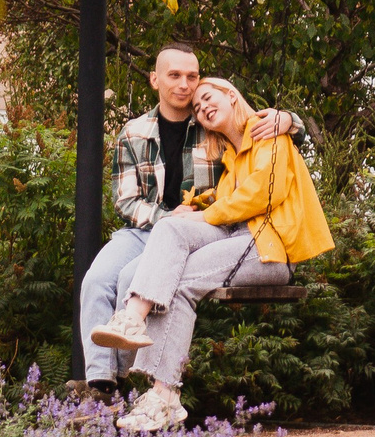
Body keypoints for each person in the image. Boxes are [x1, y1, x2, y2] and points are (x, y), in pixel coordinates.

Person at [89, 77, 335, 432]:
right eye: (198, 108)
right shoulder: (231, 157)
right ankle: (137, 331)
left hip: (267, 249)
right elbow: (226, 201)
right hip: (239, 241)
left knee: (178, 283)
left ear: (232, 96)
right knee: (170, 228)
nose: (203, 107)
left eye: (208, 98)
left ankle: (163, 395)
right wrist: (199, 206)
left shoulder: (269, 135)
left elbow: (263, 194)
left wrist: (208, 214)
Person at [75, 45, 298, 399]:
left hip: (201, 232)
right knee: (97, 280)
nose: (184, 84)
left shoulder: (210, 122)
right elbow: (125, 200)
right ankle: (101, 379)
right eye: (174, 75)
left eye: (191, 76)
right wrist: (166, 215)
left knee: (131, 278)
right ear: (155, 80)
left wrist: (288, 119)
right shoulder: (133, 133)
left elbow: (251, 123)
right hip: (143, 229)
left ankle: (124, 378)